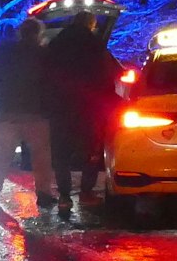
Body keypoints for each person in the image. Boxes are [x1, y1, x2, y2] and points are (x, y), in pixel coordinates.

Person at [43, 11, 122, 209]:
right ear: (91, 25)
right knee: (90, 151)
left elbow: (43, 75)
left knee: (61, 153)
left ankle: (64, 196)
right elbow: (111, 74)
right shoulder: (95, 46)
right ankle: (86, 193)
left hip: (59, 107)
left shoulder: (55, 46)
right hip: (88, 108)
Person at [0, 18, 54, 214]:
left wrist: (0, 94)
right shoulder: (45, 56)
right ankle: (44, 194)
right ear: (39, 34)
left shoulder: (6, 53)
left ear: (20, 32)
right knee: (41, 157)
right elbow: (53, 83)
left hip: (8, 112)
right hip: (36, 113)